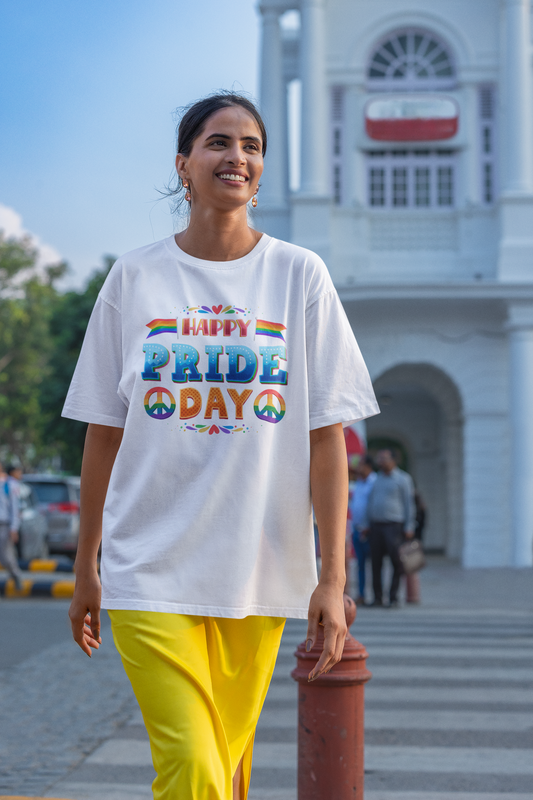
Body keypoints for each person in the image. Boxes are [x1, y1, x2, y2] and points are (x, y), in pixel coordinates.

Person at [64, 92, 379, 800]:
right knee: (197, 771)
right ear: (183, 165)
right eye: (217, 142)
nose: (236, 156)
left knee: (222, 768)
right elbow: (102, 430)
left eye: (251, 146)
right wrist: (87, 562)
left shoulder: (299, 276)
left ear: (260, 170)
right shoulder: (134, 278)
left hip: (259, 570)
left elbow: (327, 439)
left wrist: (331, 577)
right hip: (147, 565)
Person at [363, 449, 415, 608]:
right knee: (375, 563)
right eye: (379, 458)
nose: (381, 461)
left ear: (393, 461)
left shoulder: (403, 479)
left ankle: (393, 597)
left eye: (384, 458)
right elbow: (370, 502)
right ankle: (377, 597)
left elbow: (408, 504)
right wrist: (366, 523)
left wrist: (409, 526)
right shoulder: (376, 479)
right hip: (376, 526)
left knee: (396, 562)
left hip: (394, 526)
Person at [349, 456, 376, 605]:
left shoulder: (375, 482)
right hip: (357, 529)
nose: (358, 468)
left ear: (368, 467)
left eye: (361, 465)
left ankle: (376, 594)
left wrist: (367, 525)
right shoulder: (358, 482)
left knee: (374, 564)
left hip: (370, 530)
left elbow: (374, 506)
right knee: (360, 564)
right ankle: (361, 594)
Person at [0, 461, 22, 590]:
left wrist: (14, 528)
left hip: (4, 525)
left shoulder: (9, 484)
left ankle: (16, 576)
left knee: (6, 557)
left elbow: (15, 508)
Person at [6, 466, 23, 559]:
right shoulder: (12, 484)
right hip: (7, 521)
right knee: (7, 550)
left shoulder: (7, 483)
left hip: (8, 520)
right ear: (12, 472)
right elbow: (14, 506)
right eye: (18, 472)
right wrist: (14, 527)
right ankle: (15, 572)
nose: (21, 474)